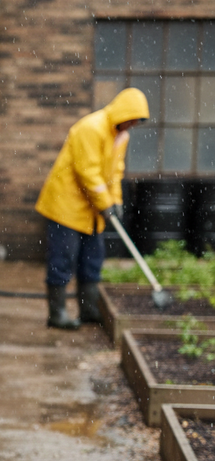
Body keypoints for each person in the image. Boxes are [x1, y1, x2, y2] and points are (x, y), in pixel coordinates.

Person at [36, 87, 150, 329]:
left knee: (92, 259)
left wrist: (116, 200)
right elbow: (87, 171)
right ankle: (56, 315)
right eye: (131, 120)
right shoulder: (91, 128)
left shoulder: (121, 136)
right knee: (63, 259)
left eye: (136, 122)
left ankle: (88, 310)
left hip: (91, 210)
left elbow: (114, 173)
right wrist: (105, 203)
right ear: (123, 114)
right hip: (65, 206)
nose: (132, 125)